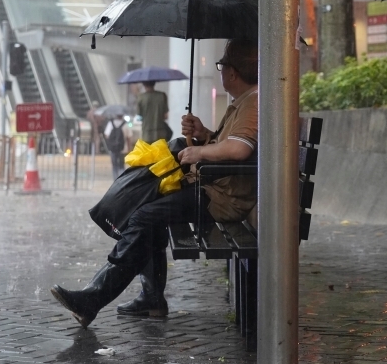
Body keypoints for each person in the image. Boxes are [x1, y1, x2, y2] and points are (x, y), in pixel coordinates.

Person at [51, 39, 258, 327]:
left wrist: (199, 151)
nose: (221, 71)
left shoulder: (253, 102)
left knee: (144, 217)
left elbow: (239, 150)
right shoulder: (244, 102)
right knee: (148, 211)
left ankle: (95, 298)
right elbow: (227, 144)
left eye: (221, 65)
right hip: (215, 188)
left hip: (221, 198)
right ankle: (149, 298)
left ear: (233, 73)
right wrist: (203, 134)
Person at [104, 113, 130, 178]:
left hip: (113, 148)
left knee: (114, 166)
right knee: (121, 165)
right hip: (123, 148)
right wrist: (129, 148)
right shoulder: (125, 124)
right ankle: (122, 180)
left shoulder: (111, 123)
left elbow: (106, 135)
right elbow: (129, 137)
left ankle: (115, 180)